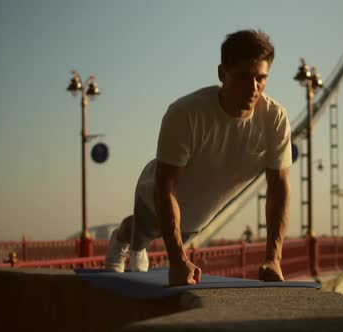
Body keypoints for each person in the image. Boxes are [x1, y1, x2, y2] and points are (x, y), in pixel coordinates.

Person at [105, 29, 291, 286]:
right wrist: (178, 261)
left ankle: (139, 243)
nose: (253, 88)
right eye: (244, 77)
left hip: (197, 217)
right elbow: (165, 186)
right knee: (143, 229)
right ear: (222, 73)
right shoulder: (185, 113)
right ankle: (122, 239)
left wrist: (273, 258)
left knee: (175, 230)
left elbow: (279, 187)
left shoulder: (275, 120)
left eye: (261, 78)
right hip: (156, 194)